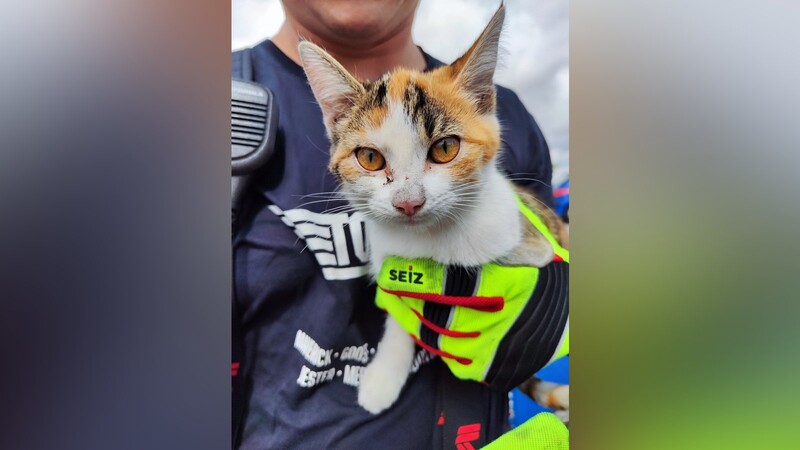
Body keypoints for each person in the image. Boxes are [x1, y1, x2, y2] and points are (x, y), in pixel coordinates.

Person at [232, 1, 563, 448]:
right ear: (333, 116)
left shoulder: (516, 122)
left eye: (442, 150)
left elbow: (555, 240)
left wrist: (561, 295)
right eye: (371, 158)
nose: (410, 200)